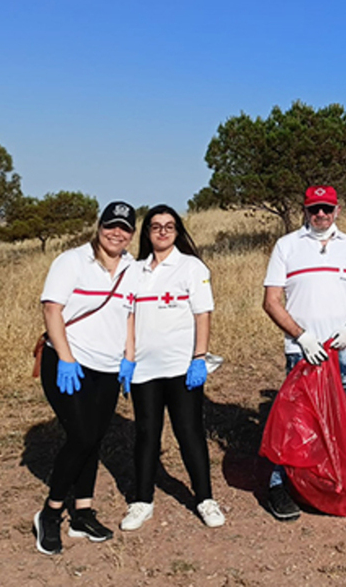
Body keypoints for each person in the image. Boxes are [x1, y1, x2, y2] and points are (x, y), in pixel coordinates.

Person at [33, 201, 140, 555]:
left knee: (94, 438)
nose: (117, 233)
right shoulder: (72, 261)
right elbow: (52, 309)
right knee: (80, 436)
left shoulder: (131, 268)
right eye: (111, 225)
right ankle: (50, 514)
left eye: (124, 228)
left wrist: (128, 357)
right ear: (99, 226)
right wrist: (65, 358)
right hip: (70, 365)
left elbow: (128, 315)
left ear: (131, 233)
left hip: (109, 367)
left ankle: (82, 512)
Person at [261, 185, 346, 521]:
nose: (321, 215)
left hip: (341, 350)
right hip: (302, 351)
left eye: (326, 208)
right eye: (314, 209)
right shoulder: (287, 246)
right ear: (305, 211)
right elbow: (271, 301)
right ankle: (283, 486)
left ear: (337, 210)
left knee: (344, 416)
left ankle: (338, 483)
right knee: (297, 420)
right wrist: (301, 336)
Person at [118, 205, 224, 530]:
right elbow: (129, 316)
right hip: (144, 371)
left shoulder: (191, 267)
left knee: (188, 432)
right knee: (146, 434)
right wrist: (128, 358)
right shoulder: (134, 271)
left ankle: (205, 498)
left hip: (182, 368)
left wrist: (199, 358)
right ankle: (142, 501)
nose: (162, 232)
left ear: (177, 231)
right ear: (147, 233)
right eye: (155, 226)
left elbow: (202, 314)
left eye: (169, 226)